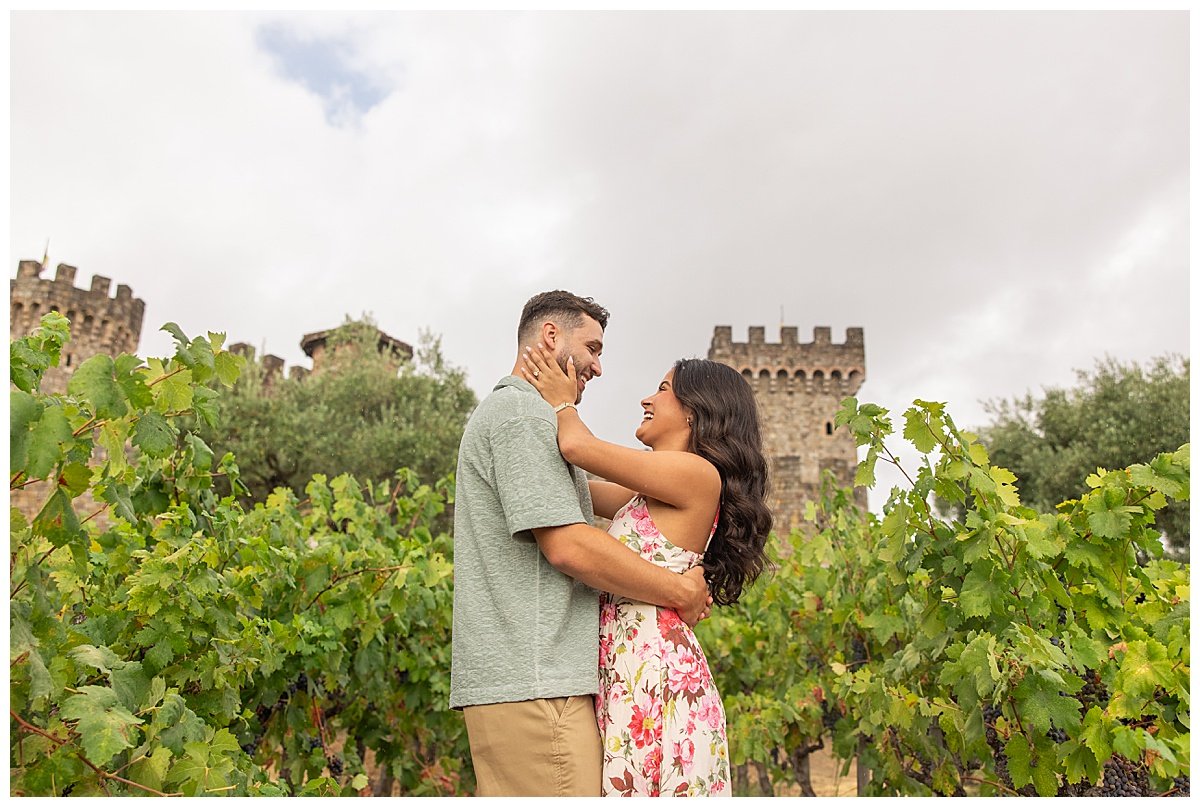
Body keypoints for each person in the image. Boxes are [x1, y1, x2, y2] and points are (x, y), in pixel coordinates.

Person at [449, 290, 712, 797]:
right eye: (592, 348)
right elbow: (569, 545)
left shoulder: (526, 420)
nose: (598, 366)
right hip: (536, 681)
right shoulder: (523, 417)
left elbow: (604, 495)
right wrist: (678, 591)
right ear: (551, 337)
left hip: (542, 680)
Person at [520, 343, 773, 797]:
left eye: (663, 389)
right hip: (631, 663)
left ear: (696, 412)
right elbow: (576, 492)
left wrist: (561, 400)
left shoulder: (698, 474)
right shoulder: (648, 491)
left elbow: (577, 446)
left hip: (653, 670)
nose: (647, 399)